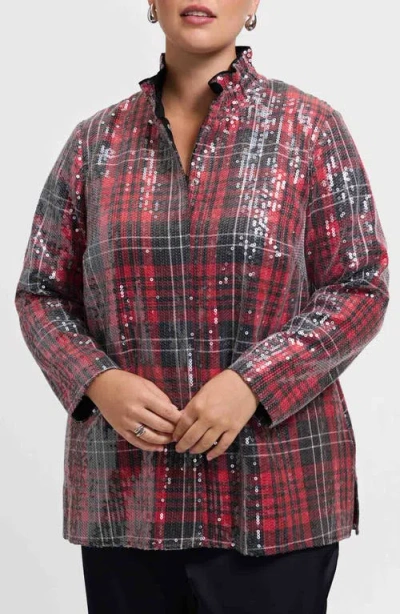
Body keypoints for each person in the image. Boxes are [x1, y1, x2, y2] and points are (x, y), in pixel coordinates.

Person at [14, 1, 390, 612]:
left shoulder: (309, 127)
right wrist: (99, 381)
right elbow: (41, 293)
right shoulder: (93, 144)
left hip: (277, 497)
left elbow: (360, 284)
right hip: (128, 500)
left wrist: (254, 383)